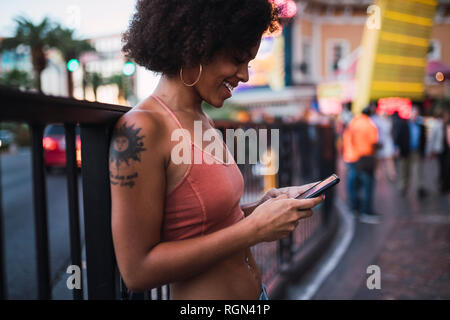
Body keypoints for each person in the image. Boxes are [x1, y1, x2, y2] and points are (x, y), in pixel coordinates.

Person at [109, 0, 324, 300]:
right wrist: (254, 230)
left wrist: (260, 210)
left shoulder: (202, 118)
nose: (245, 75)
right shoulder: (143, 128)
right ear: (195, 45)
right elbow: (137, 271)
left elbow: (206, 225)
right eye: (237, 59)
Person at [344, 105, 379, 224]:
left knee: (353, 184)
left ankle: (354, 208)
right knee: (367, 185)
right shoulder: (369, 124)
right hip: (364, 158)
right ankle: (366, 211)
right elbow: (374, 142)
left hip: (351, 157)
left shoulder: (353, 122)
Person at [394, 106, 427, 197]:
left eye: (416, 114)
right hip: (405, 151)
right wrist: (397, 148)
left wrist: (424, 152)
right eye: (413, 113)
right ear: (410, 114)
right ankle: (403, 187)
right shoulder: (403, 125)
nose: (415, 115)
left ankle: (420, 188)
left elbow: (423, 140)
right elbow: (398, 137)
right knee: (404, 170)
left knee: (418, 170)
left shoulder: (421, 126)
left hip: (416, 151)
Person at [372, 110, 396, 182]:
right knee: (379, 160)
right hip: (380, 143)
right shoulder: (378, 122)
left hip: (387, 143)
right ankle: (378, 175)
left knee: (389, 160)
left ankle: (391, 174)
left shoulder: (389, 122)